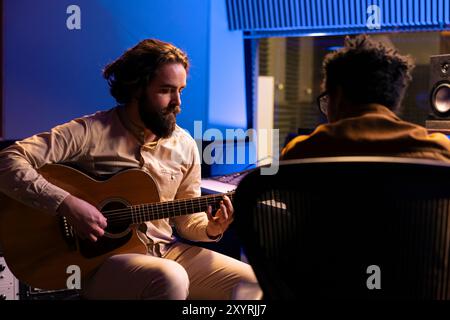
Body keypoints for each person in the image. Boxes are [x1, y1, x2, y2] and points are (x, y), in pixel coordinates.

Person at [0, 39, 261, 300]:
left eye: (181, 90)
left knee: (254, 284)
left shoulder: (184, 145)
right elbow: (8, 161)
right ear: (137, 88)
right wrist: (66, 203)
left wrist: (213, 228)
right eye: (166, 90)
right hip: (101, 263)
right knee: (170, 276)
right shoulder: (90, 132)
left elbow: (187, 221)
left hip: (165, 250)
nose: (177, 102)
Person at [281, 34, 450, 162]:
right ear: (396, 99)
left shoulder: (298, 153)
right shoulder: (439, 152)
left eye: (327, 100)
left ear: (338, 97)